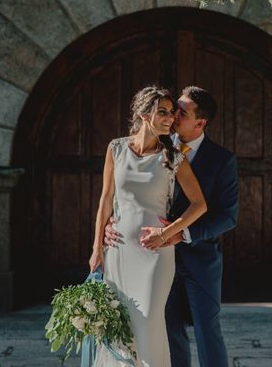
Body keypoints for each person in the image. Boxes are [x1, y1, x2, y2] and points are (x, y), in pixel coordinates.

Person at [105, 86, 239, 367]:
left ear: (200, 123)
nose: (173, 116)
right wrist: (112, 223)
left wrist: (183, 234)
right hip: (151, 256)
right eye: (171, 110)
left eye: (181, 112)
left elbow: (227, 215)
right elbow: (126, 190)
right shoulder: (158, 144)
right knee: (168, 330)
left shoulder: (222, 160)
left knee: (207, 329)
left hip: (199, 257)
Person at [88, 85, 207, 367]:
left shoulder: (174, 157)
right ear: (143, 115)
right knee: (120, 324)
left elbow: (200, 205)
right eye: (163, 113)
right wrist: (96, 249)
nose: (170, 119)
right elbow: (106, 201)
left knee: (150, 321)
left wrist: (167, 233)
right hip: (117, 251)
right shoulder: (116, 148)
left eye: (172, 113)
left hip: (155, 255)